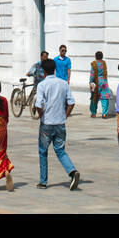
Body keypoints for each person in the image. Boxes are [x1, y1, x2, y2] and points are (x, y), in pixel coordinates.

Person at [31, 58, 80, 190]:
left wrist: (41, 115)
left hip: (47, 122)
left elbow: (38, 104)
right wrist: (65, 115)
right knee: (60, 150)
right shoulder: (63, 84)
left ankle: (43, 181)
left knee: (43, 151)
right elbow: (71, 102)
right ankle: (72, 171)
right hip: (60, 122)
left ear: (43, 71)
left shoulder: (42, 85)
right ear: (55, 69)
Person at [88, 51, 114, 119]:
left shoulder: (94, 64)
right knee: (104, 98)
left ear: (95, 56)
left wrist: (90, 82)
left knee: (94, 98)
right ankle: (104, 113)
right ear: (102, 56)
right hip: (104, 82)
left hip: (96, 82)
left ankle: (93, 113)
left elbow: (92, 74)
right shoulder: (104, 63)